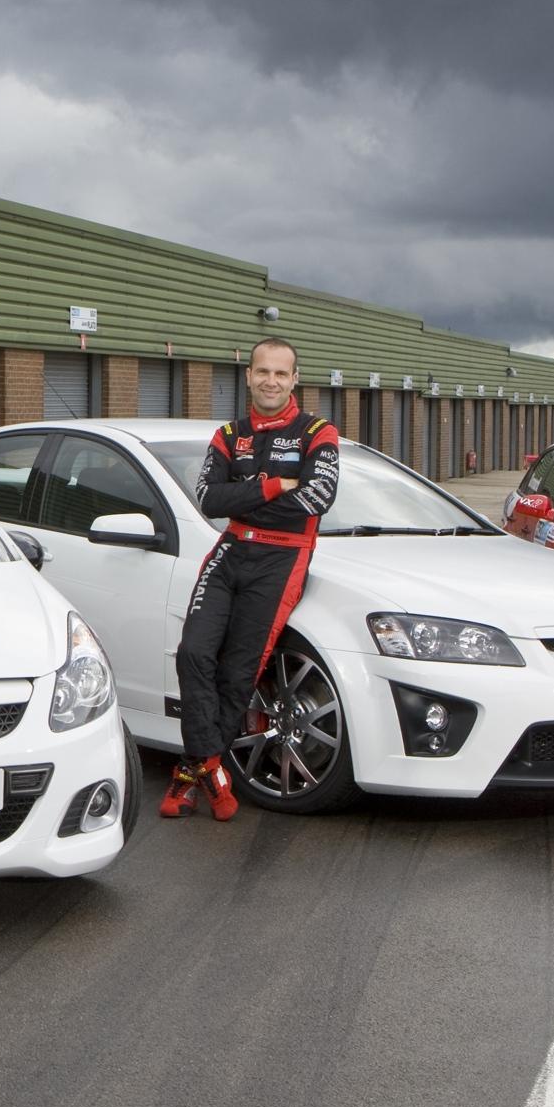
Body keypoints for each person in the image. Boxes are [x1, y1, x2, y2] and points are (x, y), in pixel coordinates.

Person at [164, 337, 340, 820]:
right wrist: (273, 484)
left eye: (281, 373)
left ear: (295, 379)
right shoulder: (227, 433)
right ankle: (208, 766)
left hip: (283, 559)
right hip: (231, 550)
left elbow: (316, 499)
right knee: (193, 653)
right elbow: (208, 500)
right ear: (248, 375)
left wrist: (242, 493)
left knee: (239, 672)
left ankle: (192, 770)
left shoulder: (319, 432)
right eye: (263, 371)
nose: (271, 381)